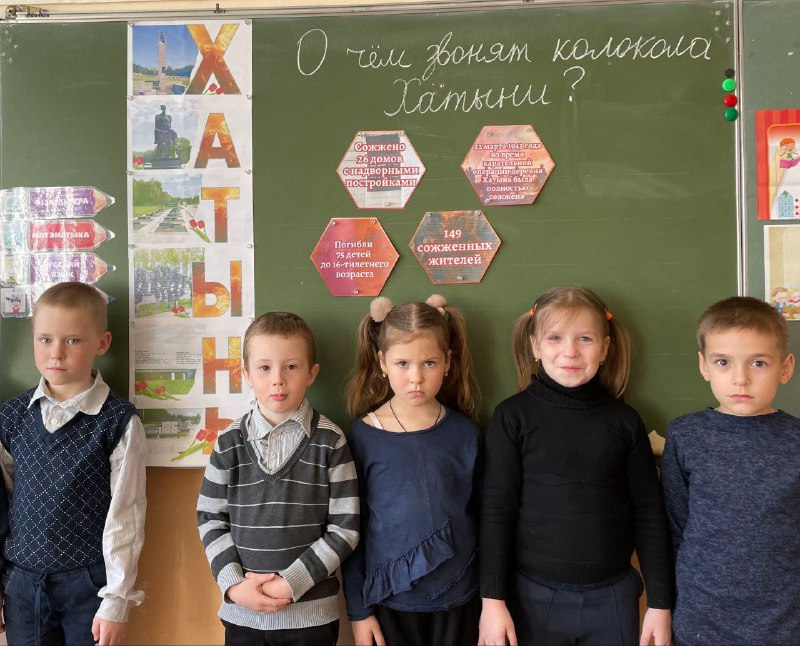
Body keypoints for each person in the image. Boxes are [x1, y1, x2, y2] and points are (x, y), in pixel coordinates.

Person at [480, 286, 673, 646]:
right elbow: (496, 510)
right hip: (531, 597)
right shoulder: (512, 418)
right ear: (535, 346)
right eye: (555, 338)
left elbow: (649, 512)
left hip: (612, 598)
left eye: (585, 338)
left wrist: (660, 603)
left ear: (605, 348)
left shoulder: (624, 421)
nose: (570, 351)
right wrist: (492, 601)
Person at [197, 312, 359, 646]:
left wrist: (291, 583)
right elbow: (210, 517)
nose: (278, 380)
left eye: (291, 366)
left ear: (312, 373)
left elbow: (345, 528)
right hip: (243, 615)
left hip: (310, 618)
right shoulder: (228, 443)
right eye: (264, 368)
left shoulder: (330, 441)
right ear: (246, 374)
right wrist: (234, 585)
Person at [0, 281, 147, 646]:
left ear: (102, 343)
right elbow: (3, 504)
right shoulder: (12, 417)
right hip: (22, 584)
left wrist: (117, 600)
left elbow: (126, 514)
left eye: (73, 340)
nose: (56, 353)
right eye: (45, 339)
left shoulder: (117, 422)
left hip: (89, 585)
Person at [342, 295, 482, 646]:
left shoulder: (466, 434)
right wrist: (359, 612)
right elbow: (351, 530)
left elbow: (485, 518)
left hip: (461, 600)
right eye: (402, 363)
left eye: (429, 363)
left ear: (448, 362)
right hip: (391, 603)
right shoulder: (363, 436)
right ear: (382, 362)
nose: (416, 377)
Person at [661, 296, 799, 645]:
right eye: (723, 362)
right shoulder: (686, 435)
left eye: (758, 363)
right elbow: (676, 526)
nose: (741, 379)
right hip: (701, 621)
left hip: (782, 623)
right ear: (704, 366)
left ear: (785, 368)